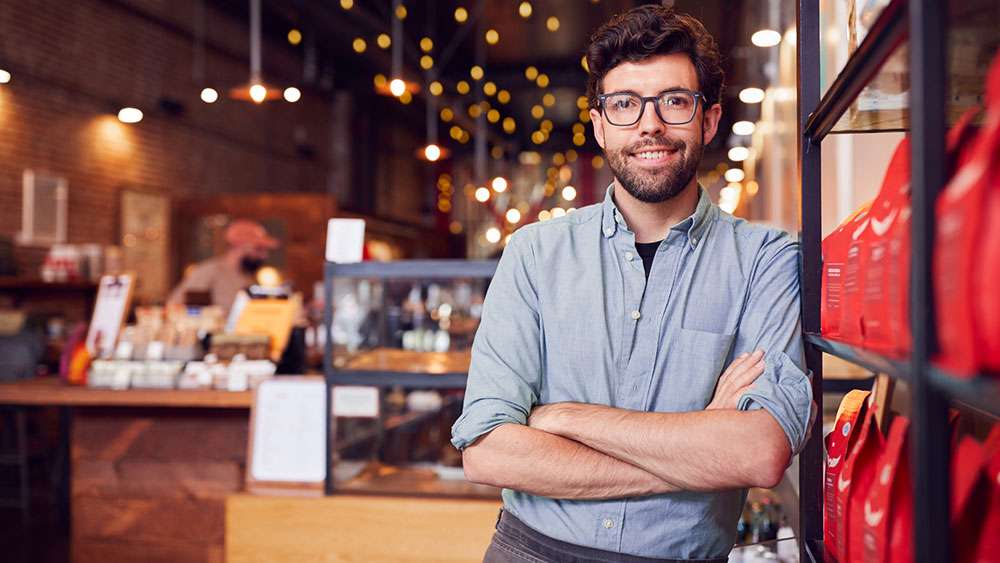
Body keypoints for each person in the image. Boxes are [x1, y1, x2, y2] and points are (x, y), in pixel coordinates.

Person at [451, 5, 814, 563]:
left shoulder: (765, 261)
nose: (649, 126)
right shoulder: (534, 254)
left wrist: (564, 418)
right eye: (624, 105)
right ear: (600, 125)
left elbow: (759, 453)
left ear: (709, 119)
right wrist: (697, 449)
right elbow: (488, 454)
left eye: (674, 101)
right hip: (528, 550)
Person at [167, 219, 277, 315]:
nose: (264, 256)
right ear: (238, 246)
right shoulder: (210, 272)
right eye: (258, 249)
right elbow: (175, 306)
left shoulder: (248, 277)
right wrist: (208, 317)